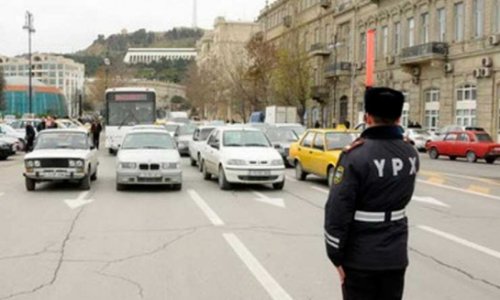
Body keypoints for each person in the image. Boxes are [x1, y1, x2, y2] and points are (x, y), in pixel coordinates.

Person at [324, 87, 419, 300]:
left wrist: (335, 256)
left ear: (367, 117)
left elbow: (337, 210)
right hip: (395, 254)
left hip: (360, 258)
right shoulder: (410, 153)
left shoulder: (356, 155)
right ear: (398, 118)